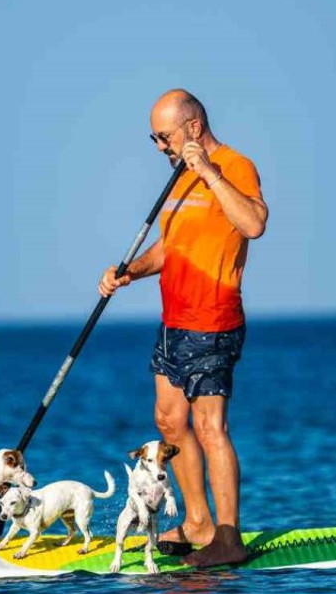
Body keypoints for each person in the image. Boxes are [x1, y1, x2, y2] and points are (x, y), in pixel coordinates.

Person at [98, 89, 268, 568]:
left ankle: (229, 538)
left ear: (193, 128)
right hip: (173, 320)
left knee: (211, 427)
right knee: (169, 421)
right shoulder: (176, 178)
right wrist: (129, 270)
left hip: (213, 320)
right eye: (153, 138)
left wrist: (210, 173)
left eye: (163, 136)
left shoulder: (235, 166)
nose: (159, 146)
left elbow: (254, 224)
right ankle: (198, 523)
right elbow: (170, 247)